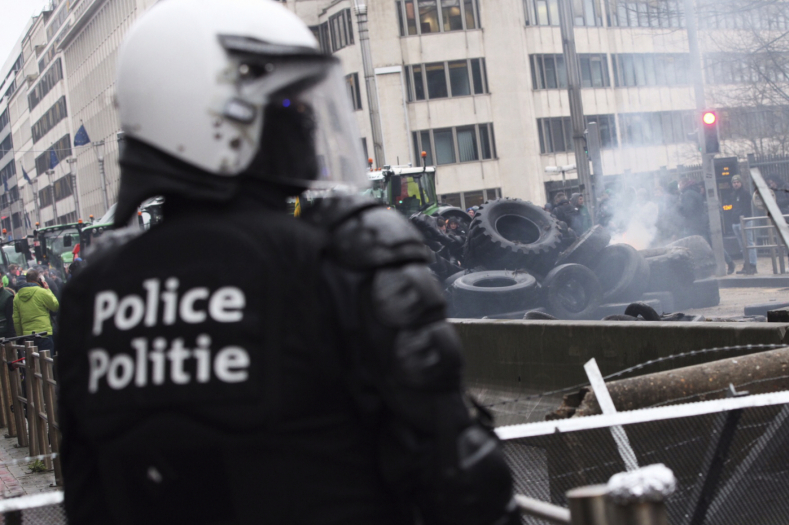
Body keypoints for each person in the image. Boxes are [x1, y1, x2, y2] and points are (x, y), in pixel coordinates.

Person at [56, 2, 518, 524]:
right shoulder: (344, 265)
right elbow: (462, 483)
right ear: (218, 119)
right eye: (289, 107)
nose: (305, 122)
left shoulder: (90, 298)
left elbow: (86, 496)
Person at [13, 269, 58, 353]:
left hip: (28, 336)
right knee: (46, 362)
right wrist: (48, 289)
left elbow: (16, 320)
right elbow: (55, 306)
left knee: (33, 364)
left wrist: (21, 337)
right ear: (39, 280)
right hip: (44, 333)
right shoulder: (42, 292)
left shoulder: (17, 297)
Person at [730, 176, 757, 275]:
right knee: (742, 246)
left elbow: (747, 208)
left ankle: (752, 264)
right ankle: (746, 264)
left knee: (749, 243)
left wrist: (744, 218)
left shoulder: (745, 194)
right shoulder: (733, 194)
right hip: (736, 221)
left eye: (737, 182)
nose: (736, 184)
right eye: (734, 182)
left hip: (745, 221)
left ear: (741, 183)